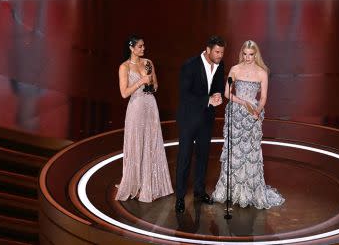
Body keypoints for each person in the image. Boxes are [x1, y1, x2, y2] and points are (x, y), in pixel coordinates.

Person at [211, 40, 284, 209]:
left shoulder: (262, 72)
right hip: (236, 113)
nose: (247, 57)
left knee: (250, 152)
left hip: (253, 116)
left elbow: (264, 97)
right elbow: (227, 93)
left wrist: (257, 110)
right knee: (233, 151)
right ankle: (230, 189)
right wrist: (243, 103)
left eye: (251, 54)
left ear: (256, 54)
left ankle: (249, 191)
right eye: (245, 54)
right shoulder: (235, 69)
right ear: (241, 53)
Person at [115, 36, 173, 202]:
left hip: (150, 105)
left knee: (151, 141)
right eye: (140, 46)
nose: (143, 49)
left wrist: (152, 83)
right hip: (136, 107)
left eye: (143, 46)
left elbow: (155, 85)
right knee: (137, 142)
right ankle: (135, 182)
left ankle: (151, 183)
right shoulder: (124, 67)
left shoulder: (148, 62)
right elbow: (124, 93)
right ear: (131, 48)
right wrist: (141, 81)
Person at [175, 35, 226, 213]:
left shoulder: (220, 66)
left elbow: (218, 86)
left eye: (222, 52)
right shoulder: (190, 65)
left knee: (203, 157)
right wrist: (208, 100)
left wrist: (218, 95)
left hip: (206, 119)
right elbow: (185, 94)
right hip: (188, 118)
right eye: (217, 52)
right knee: (184, 158)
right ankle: (180, 197)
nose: (220, 55)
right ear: (208, 49)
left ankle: (199, 191)